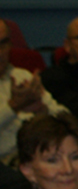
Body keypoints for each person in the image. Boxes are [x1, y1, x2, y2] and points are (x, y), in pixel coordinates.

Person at [2, 18, 67, 165]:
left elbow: (67, 119)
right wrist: (13, 107)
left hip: (39, 159)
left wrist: (42, 110)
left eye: (3, 43)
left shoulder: (23, 77)